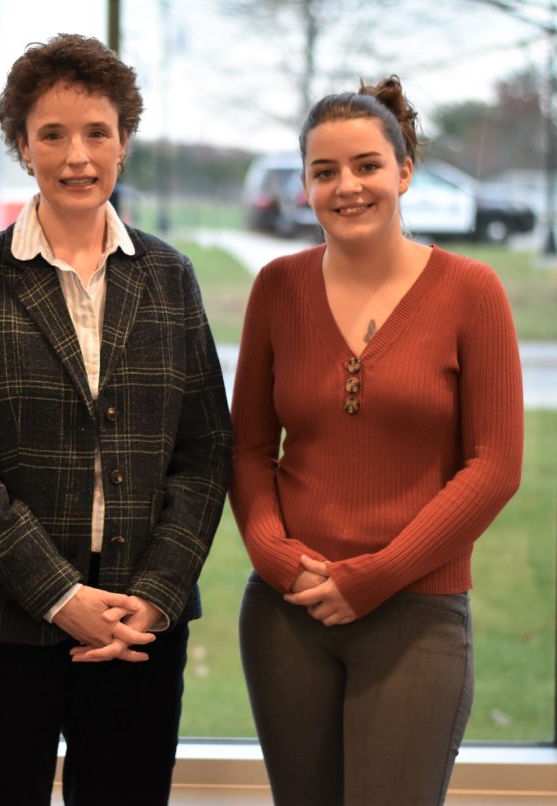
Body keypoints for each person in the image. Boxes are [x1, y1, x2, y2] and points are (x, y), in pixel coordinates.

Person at [0, 33, 233, 806]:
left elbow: (205, 453)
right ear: (21, 146)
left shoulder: (170, 276)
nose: (77, 156)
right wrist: (62, 597)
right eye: (51, 134)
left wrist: (155, 595)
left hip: (136, 627)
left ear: (124, 140)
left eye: (97, 132)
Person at [230, 75, 523, 805]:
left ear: (405, 171)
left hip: (415, 616)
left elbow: (495, 467)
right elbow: (247, 449)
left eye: (366, 165)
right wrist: (278, 558)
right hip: (287, 614)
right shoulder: (277, 287)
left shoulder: (472, 291)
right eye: (324, 171)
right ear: (303, 186)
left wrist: (376, 576)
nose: (347, 186)